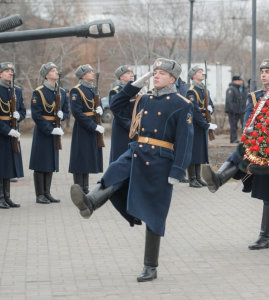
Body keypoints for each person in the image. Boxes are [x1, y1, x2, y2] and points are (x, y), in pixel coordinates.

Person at [69, 58, 194, 282]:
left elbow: (185, 141)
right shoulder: (144, 97)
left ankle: (150, 266)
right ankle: (90, 202)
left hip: (160, 158)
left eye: (161, 73)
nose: (155, 76)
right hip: (137, 150)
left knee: (154, 213)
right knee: (115, 171)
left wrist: (178, 170)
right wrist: (135, 85)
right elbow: (116, 105)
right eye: (154, 72)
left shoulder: (181, 103)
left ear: (172, 79)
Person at [203, 59, 269, 250]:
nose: (263, 74)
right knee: (243, 148)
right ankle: (218, 179)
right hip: (257, 142)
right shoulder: (255, 96)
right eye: (262, 71)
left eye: (268, 71)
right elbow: (248, 120)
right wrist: (253, 130)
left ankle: (265, 237)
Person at [29, 62, 69, 204]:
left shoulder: (62, 92)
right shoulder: (39, 92)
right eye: (52, 71)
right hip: (43, 132)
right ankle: (40, 194)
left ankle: (47, 192)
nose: (56, 72)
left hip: (55, 130)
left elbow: (66, 112)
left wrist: (62, 116)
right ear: (46, 75)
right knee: (41, 163)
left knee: (50, 162)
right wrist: (49, 129)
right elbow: (36, 115)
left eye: (56, 70)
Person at [0, 62, 26, 209]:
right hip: (0, 132)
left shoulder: (17, 90)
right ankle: (0, 198)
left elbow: (22, 110)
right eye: (7, 71)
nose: (10, 73)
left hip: (14, 130)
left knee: (9, 165)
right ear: (0, 74)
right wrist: (6, 130)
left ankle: (7, 197)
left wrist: (19, 116)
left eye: (11, 71)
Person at [68, 64, 104, 194]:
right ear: (83, 75)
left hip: (92, 128)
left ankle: (85, 187)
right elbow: (77, 113)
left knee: (87, 158)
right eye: (90, 72)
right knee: (80, 159)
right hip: (83, 129)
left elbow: (96, 106)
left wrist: (100, 110)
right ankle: (79, 188)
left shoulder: (93, 89)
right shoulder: (77, 90)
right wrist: (93, 126)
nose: (93, 73)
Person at [186, 65, 217, 188]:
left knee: (200, 152)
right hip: (195, 125)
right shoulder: (191, 91)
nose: (202, 74)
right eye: (199, 72)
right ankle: (192, 178)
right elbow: (194, 110)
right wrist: (205, 125)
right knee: (193, 151)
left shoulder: (205, 90)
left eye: (202, 72)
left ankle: (198, 178)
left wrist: (211, 109)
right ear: (193, 76)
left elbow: (210, 104)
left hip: (202, 125)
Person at [108, 65, 135, 164]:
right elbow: (116, 112)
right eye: (128, 73)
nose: (131, 75)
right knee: (120, 154)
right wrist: (128, 124)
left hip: (133, 125)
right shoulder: (115, 91)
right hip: (121, 126)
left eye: (131, 73)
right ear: (121, 77)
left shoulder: (133, 91)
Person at [225, 75, 244, 143]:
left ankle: (234, 138)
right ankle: (233, 139)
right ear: (234, 81)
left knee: (235, 125)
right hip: (232, 111)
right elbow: (229, 100)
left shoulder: (237, 89)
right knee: (233, 125)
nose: (240, 82)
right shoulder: (231, 89)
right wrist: (232, 109)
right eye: (238, 81)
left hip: (237, 110)